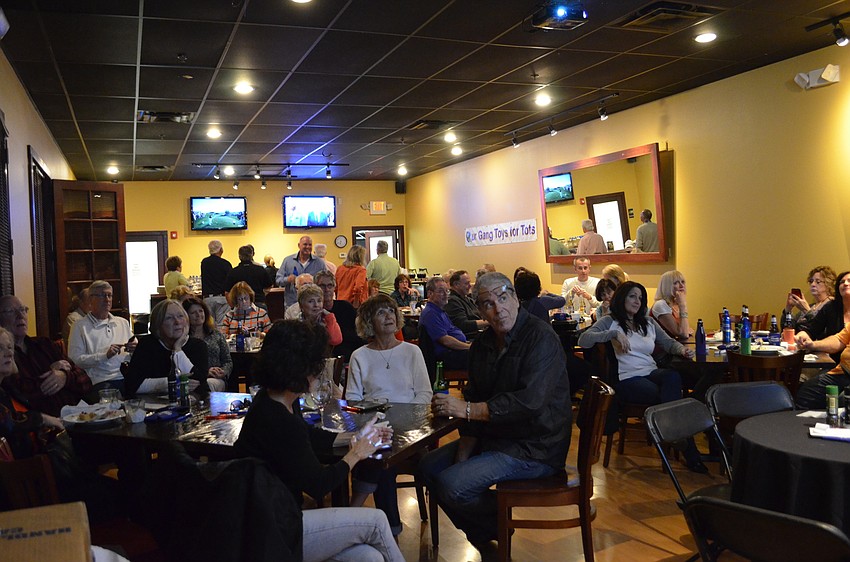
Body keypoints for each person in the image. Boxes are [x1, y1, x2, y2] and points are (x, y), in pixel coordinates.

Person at [420, 272, 572, 551]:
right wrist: (463, 452)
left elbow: (530, 402)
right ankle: (488, 537)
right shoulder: (482, 345)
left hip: (535, 446)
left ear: (515, 298)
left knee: (452, 485)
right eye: (488, 303)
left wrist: (467, 409)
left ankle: (497, 528)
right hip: (496, 439)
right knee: (428, 468)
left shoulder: (541, 337)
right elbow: (474, 396)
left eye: (503, 298)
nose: (497, 308)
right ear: (479, 310)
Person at [233, 320, 404, 562]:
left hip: (266, 516)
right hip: (273, 528)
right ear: (302, 368)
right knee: (376, 521)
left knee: (368, 557)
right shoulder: (280, 419)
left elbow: (308, 436)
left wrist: (355, 434)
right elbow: (319, 484)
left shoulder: (274, 400)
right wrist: (356, 452)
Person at [577, 281, 705, 472]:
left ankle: (672, 435)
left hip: (651, 372)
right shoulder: (610, 321)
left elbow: (669, 343)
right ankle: (685, 448)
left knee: (672, 377)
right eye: (632, 296)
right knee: (667, 398)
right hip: (627, 378)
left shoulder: (648, 322)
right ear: (622, 298)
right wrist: (613, 334)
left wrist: (682, 350)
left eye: (640, 298)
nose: (637, 301)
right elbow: (583, 340)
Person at [346, 294, 432, 535]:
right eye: (381, 312)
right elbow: (353, 399)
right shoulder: (359, 356)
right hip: (375, 426)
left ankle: (352, 511)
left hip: (410, 428)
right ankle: (390, 528)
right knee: (380, 452)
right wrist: (378, 423)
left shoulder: (412, 352)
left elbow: (424, 395)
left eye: (391, 311)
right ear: (367, 322)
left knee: (379, 450)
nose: (389, 316)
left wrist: (398, 421)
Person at [0, 296, 91, 416]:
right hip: (43, 426)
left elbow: (85, 381)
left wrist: (64, 376)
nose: (20, 316)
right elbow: (19, 391)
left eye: (22, 310)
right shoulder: (5, 356)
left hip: (78, 415)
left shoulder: (45, 344)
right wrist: (51, 374)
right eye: (11, 311)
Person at [125, 299, 209, 397]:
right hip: (154, 406)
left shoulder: (198, 346)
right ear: (158, 324)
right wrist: (172, 382)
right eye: (169, 318)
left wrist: (177, 350)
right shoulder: (147, 344)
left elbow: (198, 383)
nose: (177, 322)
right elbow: (131, 385)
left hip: (196, 404)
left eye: (180, 316)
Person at [68, 281, 136, 400]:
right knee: (116, 398)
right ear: (90, 300)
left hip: (128, 376)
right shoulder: (79, 326)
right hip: (101, 380)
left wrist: (134, 349)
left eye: (109, 295)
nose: (107, 299)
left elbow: (137, 350)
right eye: (102, 295)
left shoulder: (122, 322)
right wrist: (105, 355)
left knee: (160, 385)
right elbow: (75, 360)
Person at [795, 271, 850, 409]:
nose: (845, 284)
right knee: (804, 395)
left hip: (836, 367)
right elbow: (838, 340)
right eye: (842, 282)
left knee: (842, 401)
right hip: (840, 368)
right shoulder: (831, 307)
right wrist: (811, 343)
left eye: (818, 282)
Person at [419, 276, 470, 370]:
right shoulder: (430, 313)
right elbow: (446, 341)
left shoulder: (439, 311)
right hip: (445, 358)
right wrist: (469, 347)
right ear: (430, 293)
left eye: (447, 291)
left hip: (454, 352)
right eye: (441, 291)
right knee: (482, 356)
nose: (446, 294)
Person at [314, 270, 365, 362]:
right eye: (322, 286)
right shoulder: (313, 311)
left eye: (330, 285)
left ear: (334, 287)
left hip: (348, 356)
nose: (326, 289)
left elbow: (360, 335)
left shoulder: (346, 307)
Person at [184, 297, 232, 392]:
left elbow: (228, 361)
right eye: (193, 313)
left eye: (200, 311)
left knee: (208, 384)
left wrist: (223, 372)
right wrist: (206, 372)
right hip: (192, 378)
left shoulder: (216, 334)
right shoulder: (183, 338)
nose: (198, 315)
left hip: (216, 379)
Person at [276, 236, 327, 308]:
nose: (308, 247)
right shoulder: (288, 261)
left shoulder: (319, 263)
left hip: (313, 306)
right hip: (292, 304)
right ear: (299, 245)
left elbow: (325, 282)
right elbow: (278, 280)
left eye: (310, 245)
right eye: (305, 244)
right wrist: (288, 279)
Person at [781, 266, 836, 330]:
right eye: (811, 281)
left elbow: (825, 331)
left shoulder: (833, 305)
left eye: (818, 282)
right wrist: (788, 309)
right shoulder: (812, 306)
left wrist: (806, 311)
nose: (813, 284)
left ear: (828, 284)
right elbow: (788, 329)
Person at [445, 270, 488, 340]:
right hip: (469, 339)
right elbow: (463, 325)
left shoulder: (466, 298)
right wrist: (489, 322)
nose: (470, 285)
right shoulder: (452, 301)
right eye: (467, 283)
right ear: (456, 285)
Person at [652, 270, 691, 340]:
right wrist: (683, 305)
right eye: (676, 283)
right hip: (661, 349)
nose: (681, 286)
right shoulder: (661, 305)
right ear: (667, 286)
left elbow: (686, 330)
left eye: (683, 282)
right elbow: (683, 334)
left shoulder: (674, 306)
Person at [201, 240, 233, 326]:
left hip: (207, 298)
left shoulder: (204, 262)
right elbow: (230, 281)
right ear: (221, 250)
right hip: (221, 299)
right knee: (221, 325)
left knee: (209, 325)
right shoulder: (226, 264)